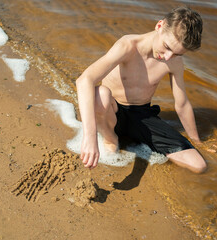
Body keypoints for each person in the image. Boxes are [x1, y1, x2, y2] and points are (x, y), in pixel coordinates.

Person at [76, 6, 207, 173]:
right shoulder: (128, 46)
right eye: (167, 47)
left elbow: (181, 104)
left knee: (199, 165)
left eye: (177, 54)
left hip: (142, 116)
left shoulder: (174, 62)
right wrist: (90, 137)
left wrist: (197, 140)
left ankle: (136, 139)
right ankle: (111, 140)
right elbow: (84, 80)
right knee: (99, 94)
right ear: (160, 26)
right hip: (110, 112)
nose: (168, 57)